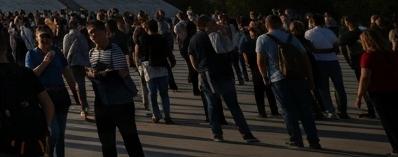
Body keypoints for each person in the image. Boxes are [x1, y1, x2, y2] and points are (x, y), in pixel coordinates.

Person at [0, 30, 52, 157]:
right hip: (32, 139)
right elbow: (48, 105)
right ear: (6, 47)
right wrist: (43, 129)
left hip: (4, 139)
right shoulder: (26, 72)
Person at [187, 14, 259, 143]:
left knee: (212, 105)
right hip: (222, 72)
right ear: (206, 25)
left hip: (206, 73)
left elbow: (191, 57)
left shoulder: (194, 39)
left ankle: (217, 133)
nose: (215, 24)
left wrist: (199, 69)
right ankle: (246, 134)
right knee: (233, 105)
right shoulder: (214, 36)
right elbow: (228, 50)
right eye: (212, 22)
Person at [256, 13, 321, 149]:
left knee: (287, 110)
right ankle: (313, 140)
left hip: (277, 77)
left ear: (266, 25)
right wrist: (310, 78)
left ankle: (296, 139)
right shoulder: (291, 37)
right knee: (305, 109)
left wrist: (264, 76)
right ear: (280, 24)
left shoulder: (262, 39)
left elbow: (261, 61)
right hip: (297, 76)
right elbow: (305, 58)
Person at [84, 20, 143, 157]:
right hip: (102, 103)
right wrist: (92, 73)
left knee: (131, 139)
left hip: (121, 102)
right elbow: (91, 72)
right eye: (89, 33)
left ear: (104, 32)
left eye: (94, 31)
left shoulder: (114, 49)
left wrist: (96, 73)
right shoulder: (92, 52)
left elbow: (119, 72)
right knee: (107, 142)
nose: (92, 35)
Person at [24, 25, 75, 157]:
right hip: (45, 98)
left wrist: (76, 93)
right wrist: (45, 62)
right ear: (37, 38)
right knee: (54, 133)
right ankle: (47, 152)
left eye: (49, 36)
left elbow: (67, 72)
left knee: (61, 135)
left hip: (61, 96)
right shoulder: (32, 54)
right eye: (42, 37)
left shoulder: (57, 52)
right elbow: (31, 76)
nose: (46, 39)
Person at [355, 29, 398, 154]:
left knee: (389, 123)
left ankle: (396, 149)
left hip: (380, 93)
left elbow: (365, 78)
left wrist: (359, 96)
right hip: (395, 89)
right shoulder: (392, 53)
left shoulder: (368, 56)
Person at [306, 12, 349, 119]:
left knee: (323, 88)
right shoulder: (330, 32)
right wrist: (331, 50)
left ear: (312, 22)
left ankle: (330, 110)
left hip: (319, 61)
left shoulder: (309, 33)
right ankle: (342, 110)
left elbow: (311, 48)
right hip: (333, 60)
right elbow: (336, 45)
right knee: (339, 87)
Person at [135, 19, 174, 124]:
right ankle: (167, 116)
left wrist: (137, 63)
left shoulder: (144, 38)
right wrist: (172, 62)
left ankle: (155, 115)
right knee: (164, 94)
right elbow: (169, 52)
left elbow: (137, 52)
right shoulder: (162, 38)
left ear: (147, 28)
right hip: (162, 68)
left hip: (149, 69)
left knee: (152, 93)